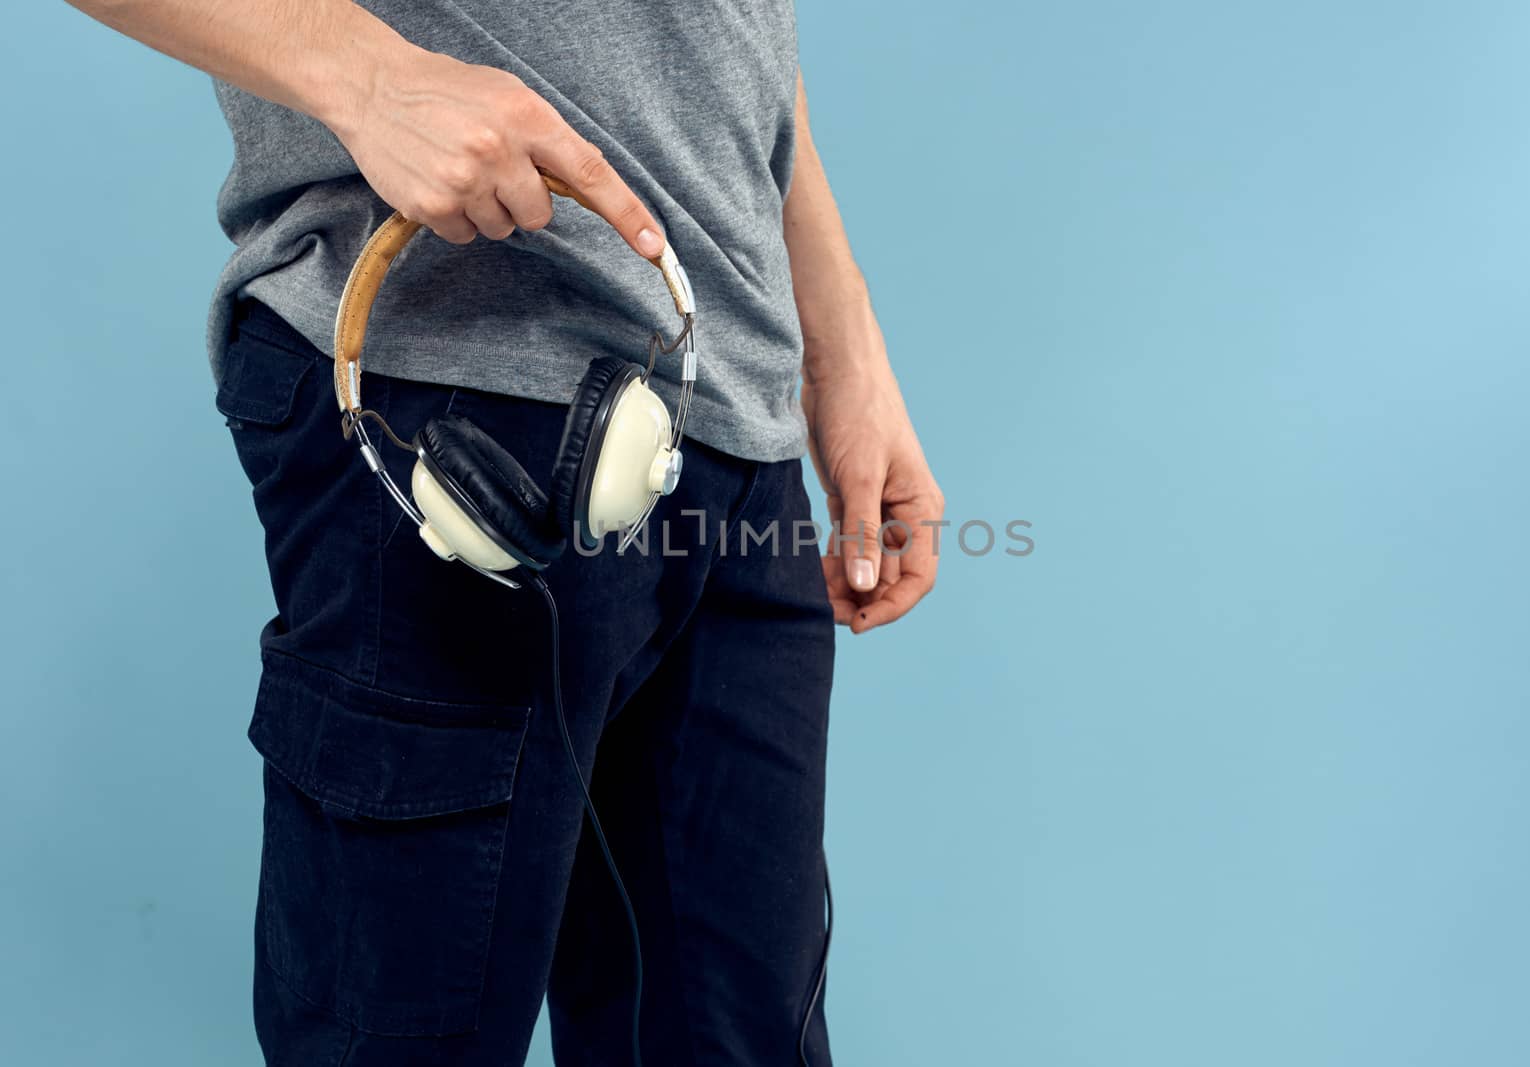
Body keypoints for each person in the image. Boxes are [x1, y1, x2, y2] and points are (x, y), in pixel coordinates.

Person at [66, 0, 944, 1063]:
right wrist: (368, 76)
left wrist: (836, 344)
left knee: (741, 1035)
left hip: (728, 411)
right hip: (450, 401)